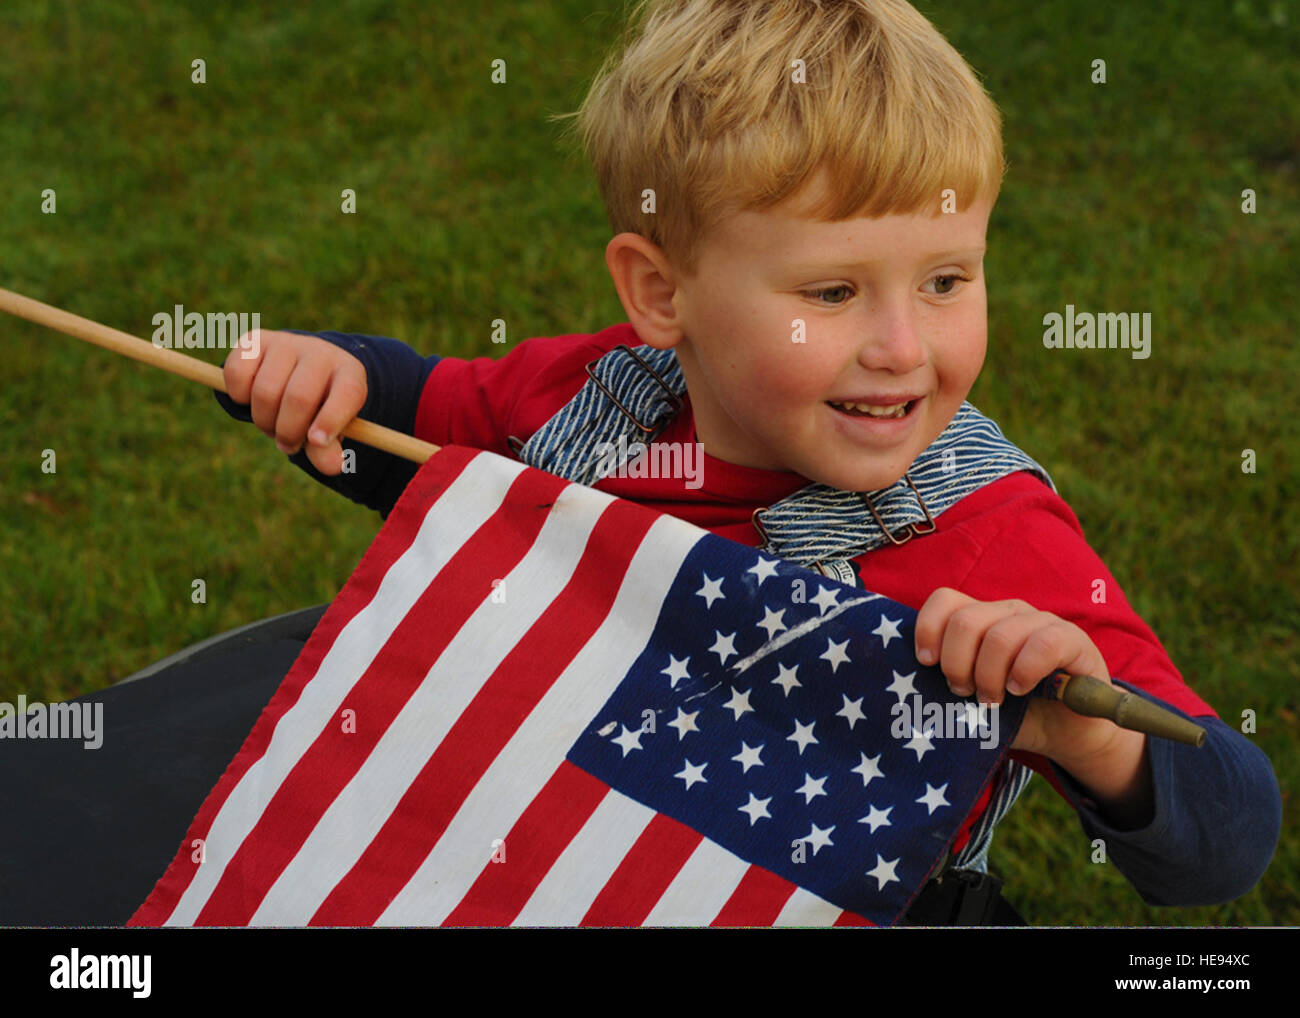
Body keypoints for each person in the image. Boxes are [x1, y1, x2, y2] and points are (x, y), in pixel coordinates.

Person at [213, 0, 1279, 922]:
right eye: (831, 292)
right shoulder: (595, 401)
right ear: (660, 295)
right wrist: (332, 380)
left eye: (947, 280)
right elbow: (420, 435)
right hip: (549, 863)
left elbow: (1225, 838)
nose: (903, 347)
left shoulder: (981, 537)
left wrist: (1085, 730)